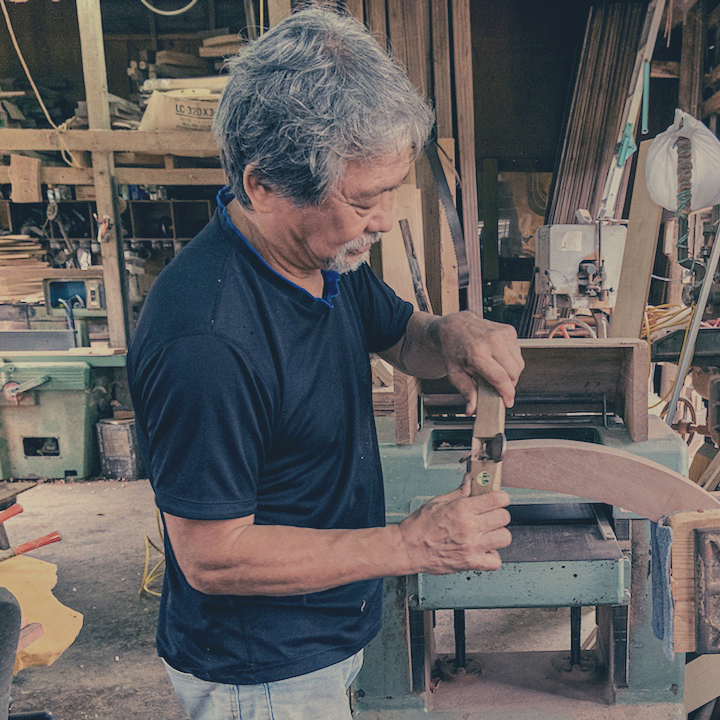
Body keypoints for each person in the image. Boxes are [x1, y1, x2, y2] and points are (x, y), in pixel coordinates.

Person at [127, 9, 521, 719]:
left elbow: (404, 335)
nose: (384, 219)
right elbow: (212, 557)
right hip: (260, 673)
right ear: (265, 187)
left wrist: (453, 334)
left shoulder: (323, 257)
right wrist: (409, 544)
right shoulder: (207, 341)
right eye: (365, 199)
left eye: (391, 191)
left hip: (323, 639)